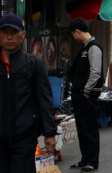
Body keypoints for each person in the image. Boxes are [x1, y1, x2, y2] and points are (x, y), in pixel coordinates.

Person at [0, 14, 57, 173]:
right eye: (5, 32)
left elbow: (44, 100)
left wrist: (49, 133)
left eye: (14, 32)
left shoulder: (33, 64)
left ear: (23, 35)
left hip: (24, 139)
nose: (9, 37)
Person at [68, 18, 105, 172]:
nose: (73, 38)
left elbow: (95, 72)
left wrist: (86, 91)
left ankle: (92, 161)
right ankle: (84, 159)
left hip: (87, 95)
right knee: (81, 128)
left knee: (89, 128)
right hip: (79, 95)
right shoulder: (85, 47)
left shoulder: (93, 47)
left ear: (77, 31)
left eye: (73, 34)